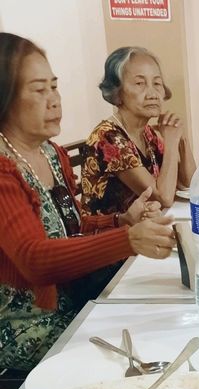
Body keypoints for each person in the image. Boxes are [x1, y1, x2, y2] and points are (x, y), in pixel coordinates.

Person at [0, 33, 175, 371]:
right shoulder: (5, 170)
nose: (55, 100)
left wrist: (122, 221)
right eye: (39, 90)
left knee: (162, 322)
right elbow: (34, 260)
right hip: (26, 326)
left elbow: (73, 227)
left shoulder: (51, 153)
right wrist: (127, 240)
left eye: (54, 86)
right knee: (143, 353)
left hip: (72, 296)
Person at [82, 46, 195, 215]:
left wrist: (181, 138)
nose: (153, 94)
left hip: (143, 228)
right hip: (112, 235)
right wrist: (171, 143)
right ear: (117, 92)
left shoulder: (147, 134)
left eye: (157, 83)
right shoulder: (108, 138)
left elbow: (190, 184)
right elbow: (162, 197)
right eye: (140, 83)